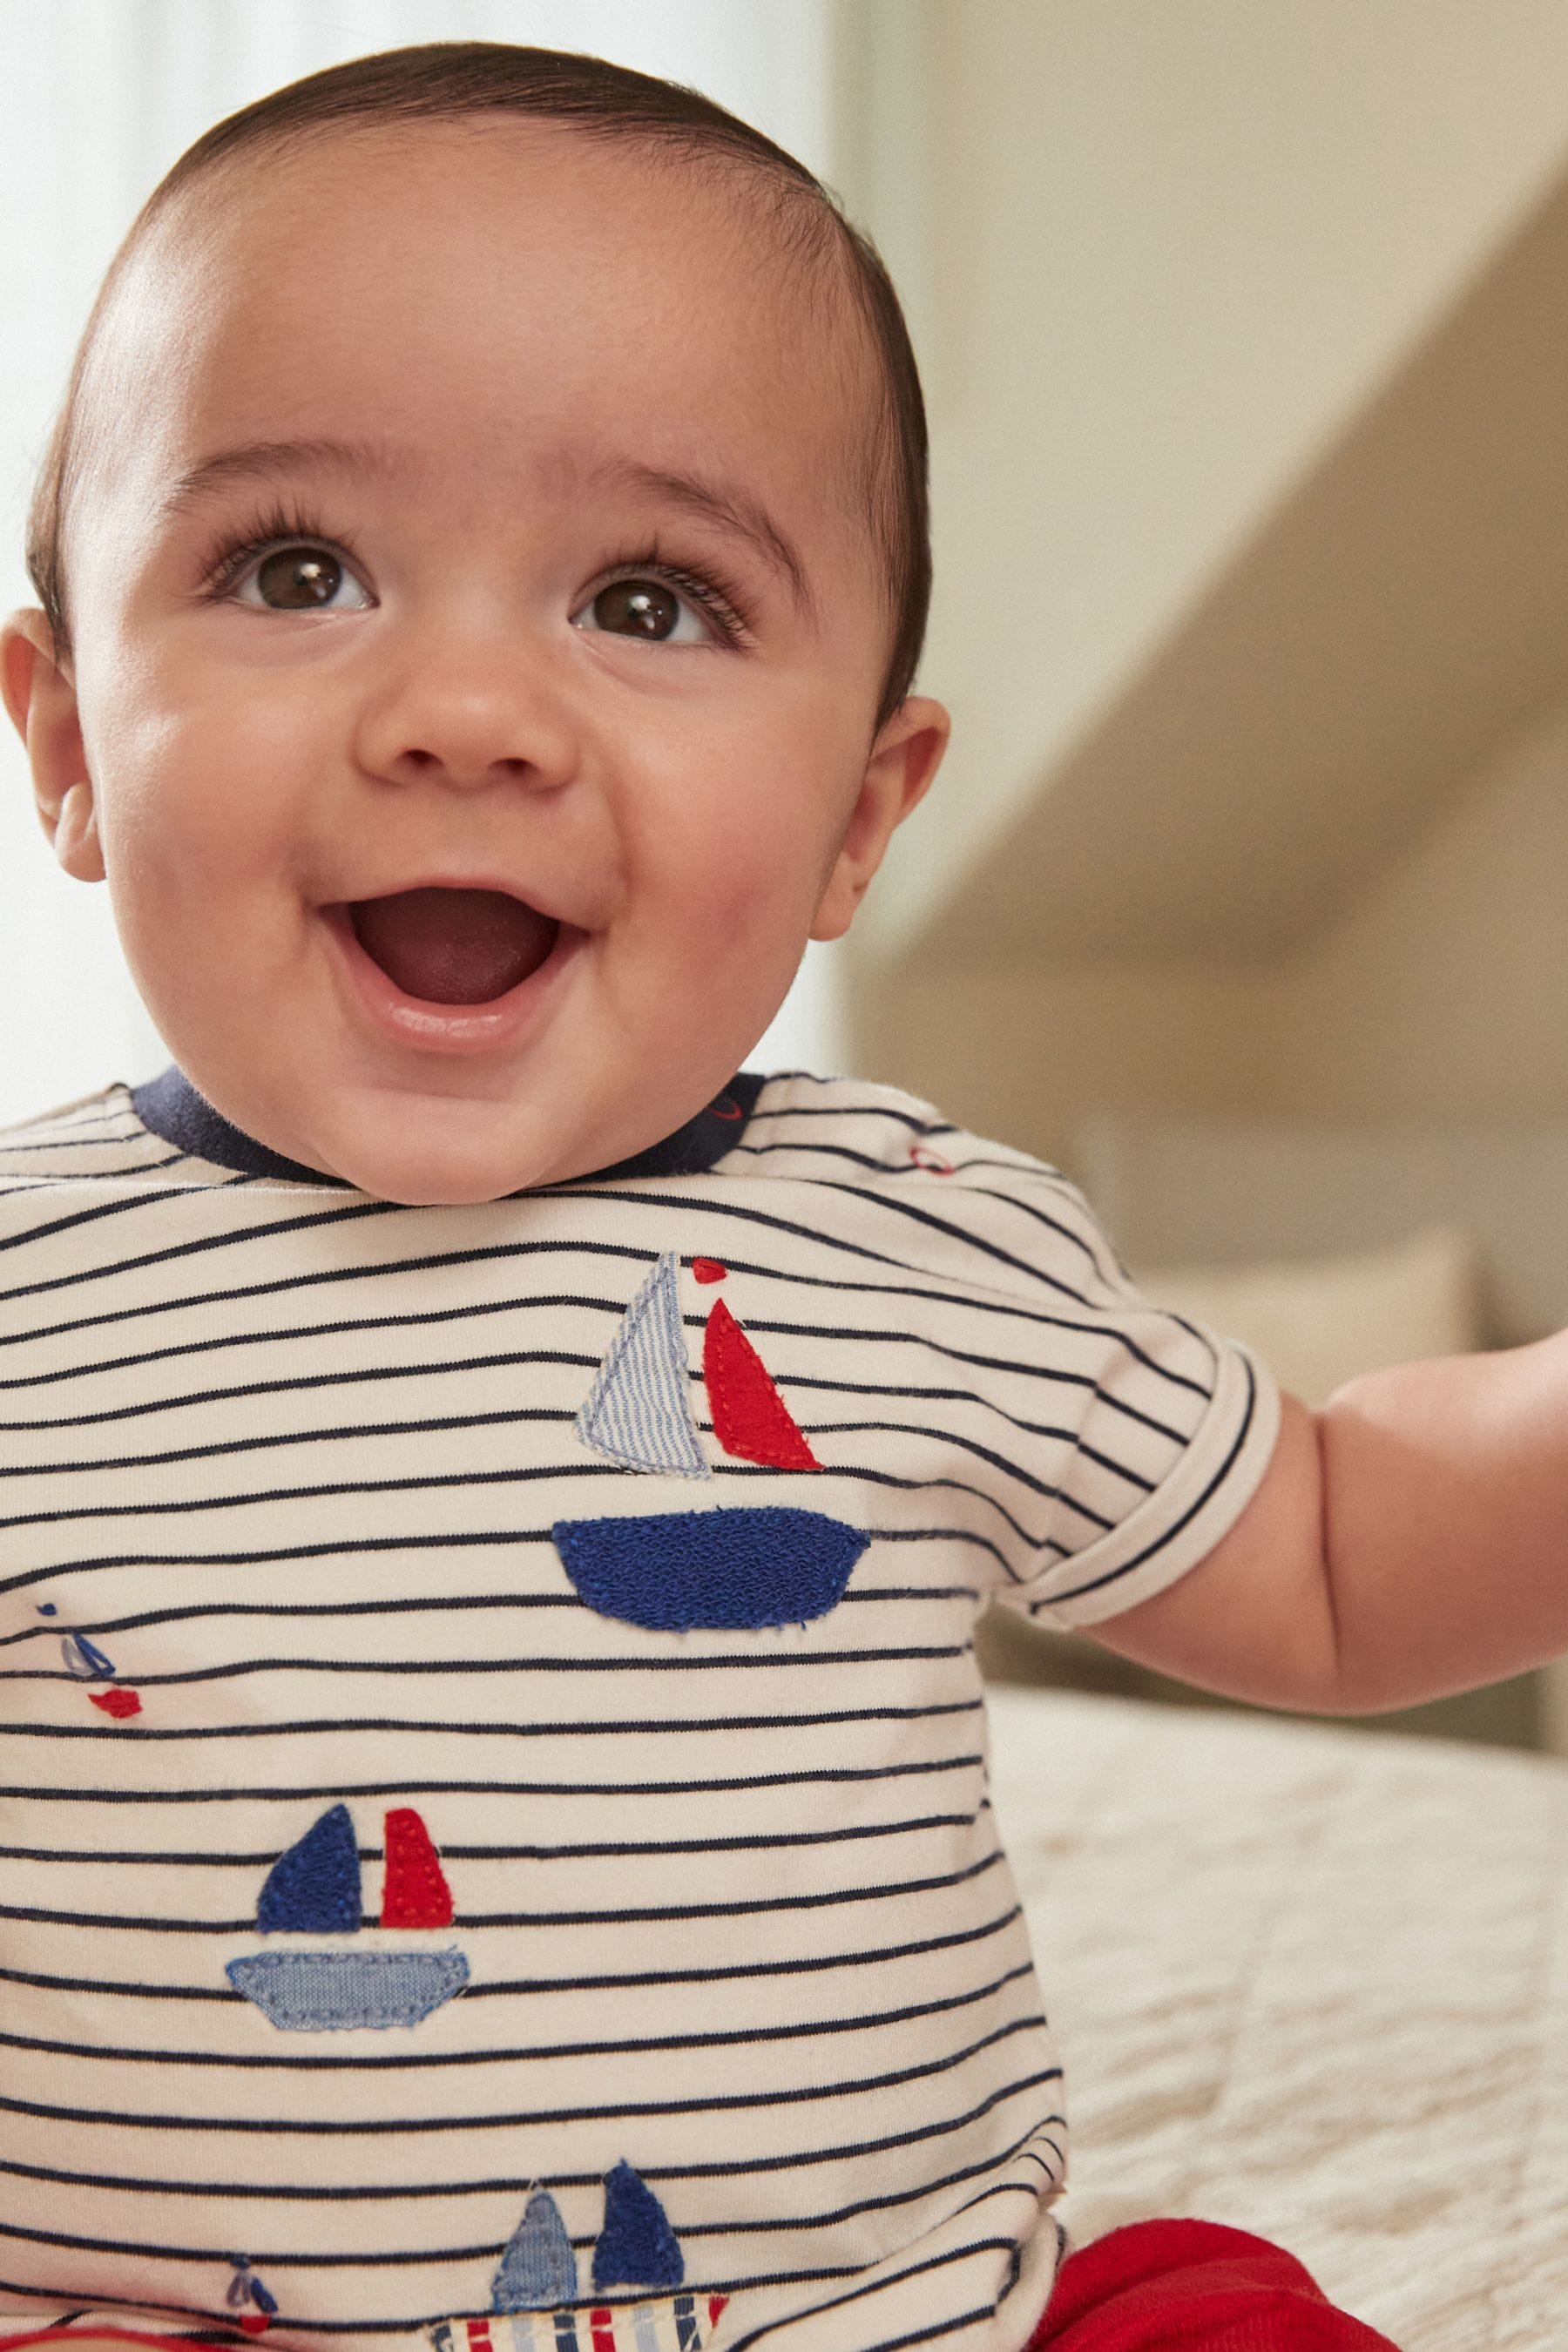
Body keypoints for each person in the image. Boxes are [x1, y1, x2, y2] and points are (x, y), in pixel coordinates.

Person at [0, 43, 1555, 2352]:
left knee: (1199, 2311)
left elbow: (1329, 1547)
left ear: (857, 812)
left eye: (649, 599)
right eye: (295, 567)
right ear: (67, 745)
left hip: (894, 2312)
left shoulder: (923, 1246)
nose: (465, 708)